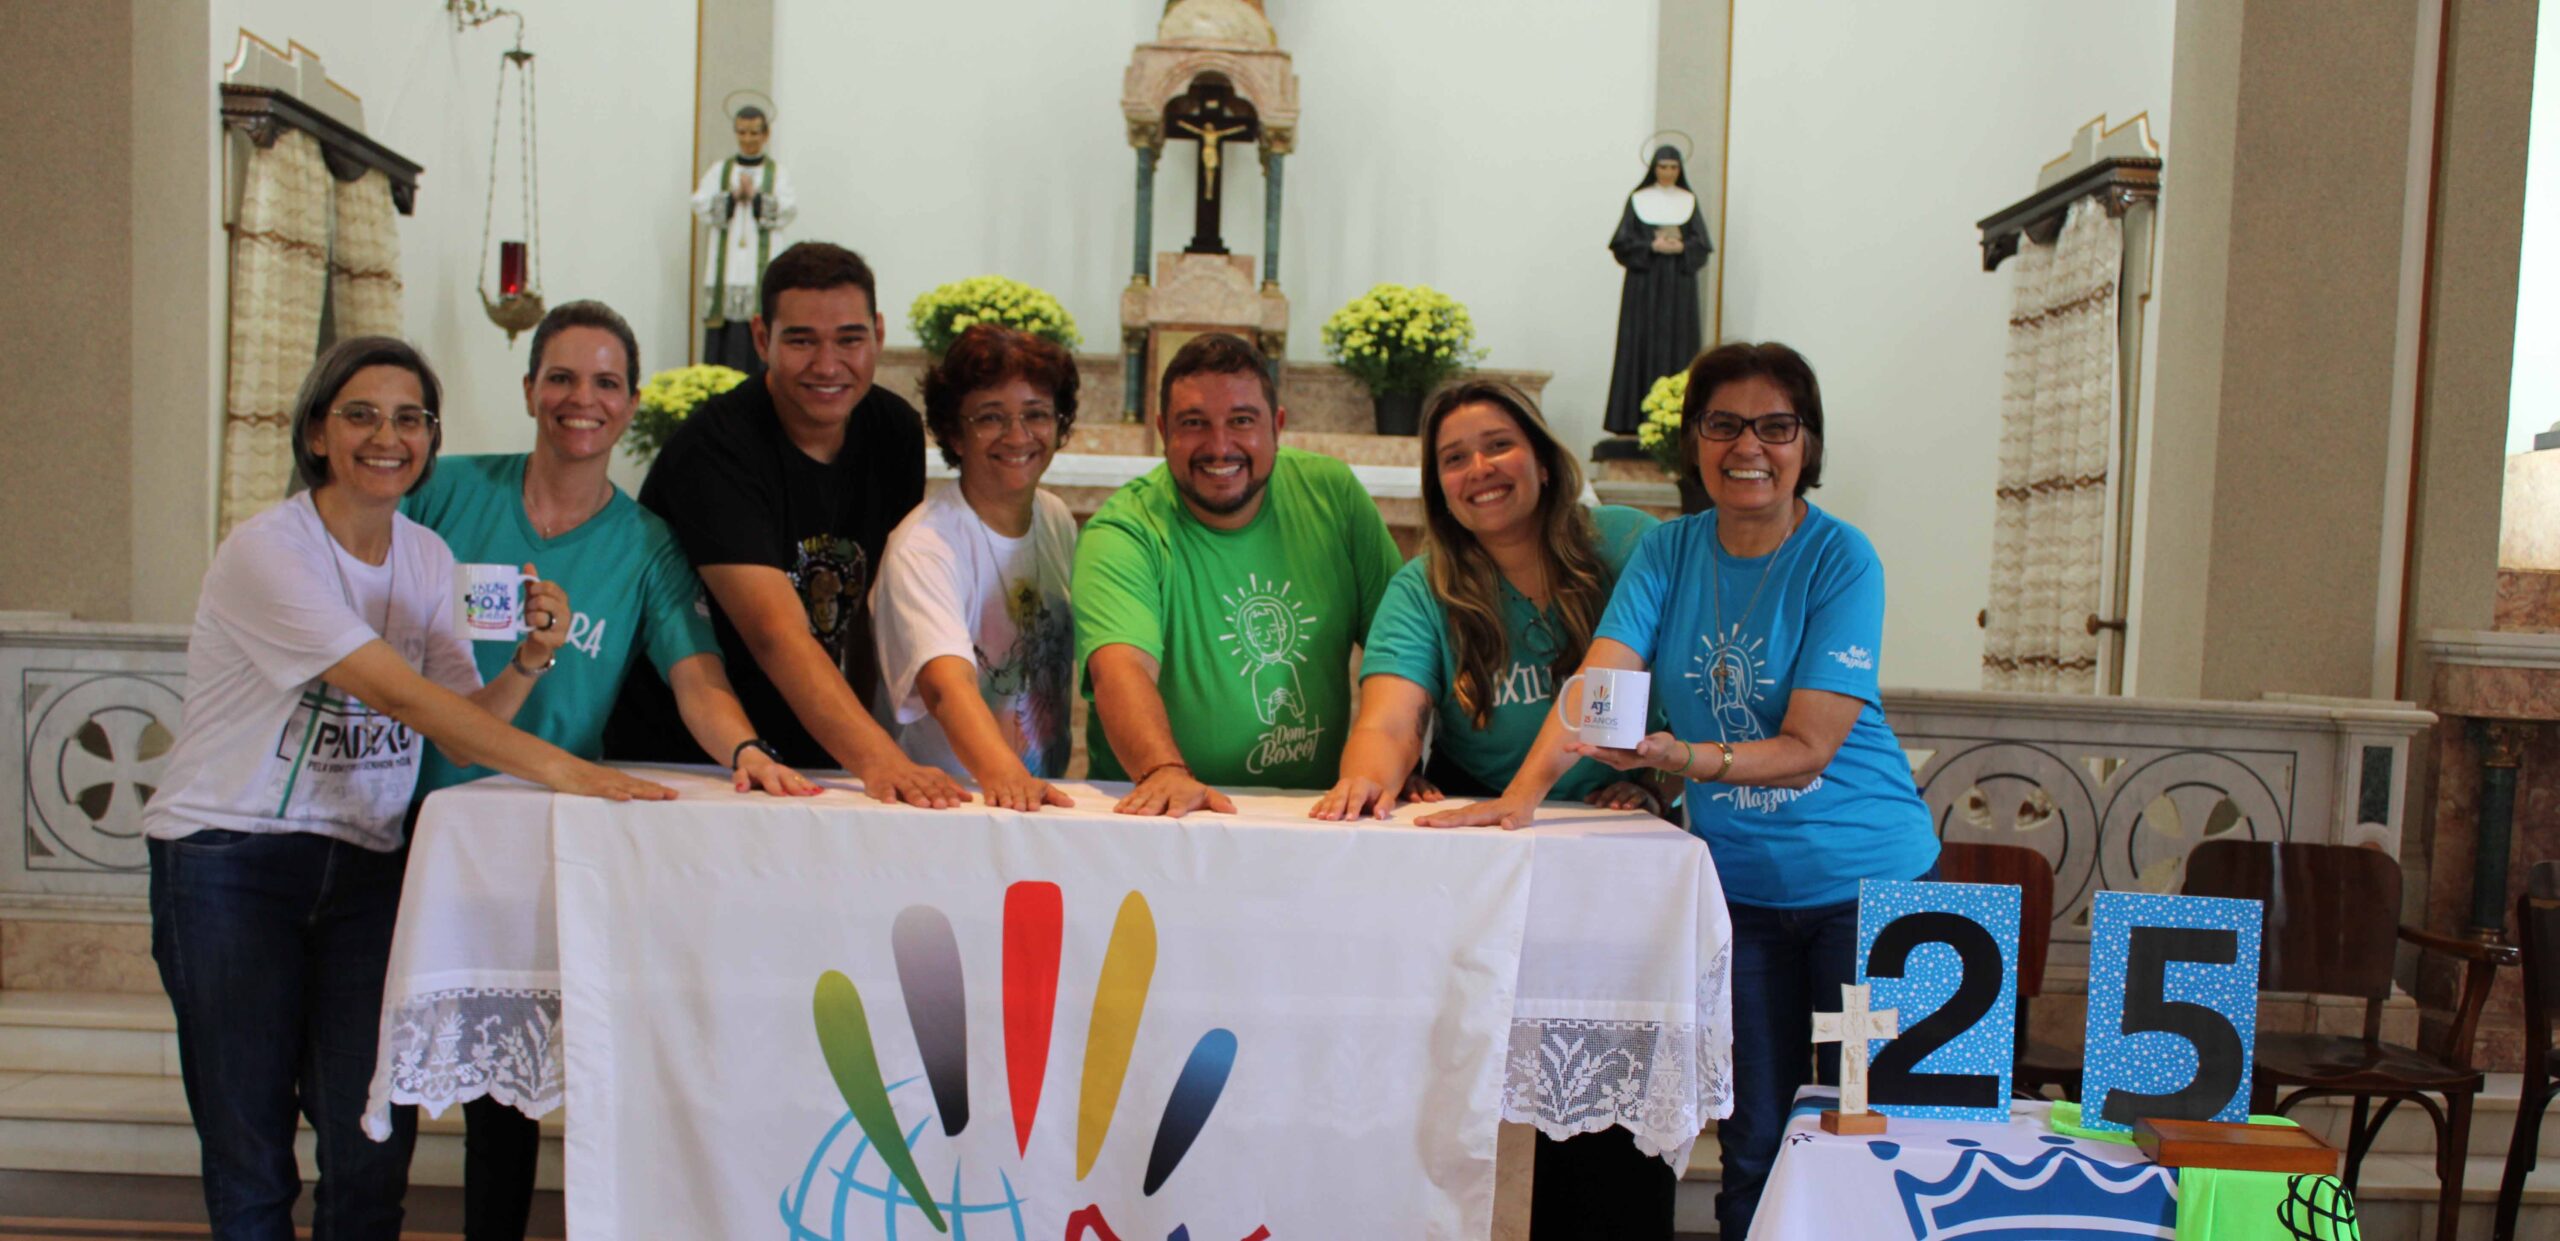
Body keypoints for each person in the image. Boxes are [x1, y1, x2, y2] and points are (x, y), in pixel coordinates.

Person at [144, 337, 672, 1240]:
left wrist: (535, 658)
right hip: (231, 862)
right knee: (252, 1152)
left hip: (366, 867)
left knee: (370, 1145)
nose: (386, 436)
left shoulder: (425, 555)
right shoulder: (270, 550)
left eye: (408, 418)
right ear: (316, 433)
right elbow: (398, 693)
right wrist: (574, 774)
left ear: (430, 438)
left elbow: (464, 716)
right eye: (359, 414)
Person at [1422, 342, 1937, 1240]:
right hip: (1738, 893)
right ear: (1695, 443)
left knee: (1873, 1135)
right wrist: (1523, 795)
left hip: (1868, 889)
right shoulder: (1667, 551)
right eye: (1724, 424)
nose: (1750, 446)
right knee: (1752, 1140)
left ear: (1806, 443)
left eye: (1775, 426)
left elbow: (1811, 746)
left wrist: (1684, 756)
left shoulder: (1842, 559)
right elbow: (1600, 681)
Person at [401, 300, 816, 1241]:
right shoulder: (445, 492)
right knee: (377, 1083)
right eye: (561, 377)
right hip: (406, 816)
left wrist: (748, 750)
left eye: (603, 382)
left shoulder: (642, 545)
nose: (579, 400)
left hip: (532, 837)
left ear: (629, 404)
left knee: (506, 1103)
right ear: (529, 389)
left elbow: (697, 681)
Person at [1311, 378, 1669, 1235]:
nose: (1480, 469)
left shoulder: (1626, 541)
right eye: (1454, 458)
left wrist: (1658, 783)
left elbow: (1668, 682)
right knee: (1487, 1093)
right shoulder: (1423, 584)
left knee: (1603, 1109)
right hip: (1494, 868)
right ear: (1439, 487)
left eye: (1498, 444)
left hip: (1616, 861)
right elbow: (1391, 714)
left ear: (1543, 457)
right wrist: (1369, 777)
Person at [608, 242, 968, 808]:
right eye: (801, 340)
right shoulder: (715, 449)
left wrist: (870, 746)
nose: (828, 365)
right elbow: (773, 632)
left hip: (814, 752)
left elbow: (872, 604)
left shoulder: (893, 432)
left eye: (849, 339)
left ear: (877, 332)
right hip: (688, 759)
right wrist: (881, 760)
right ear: (760, 338)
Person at [1074, 332, 1403, 814]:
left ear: (1278, 425)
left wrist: (1394, 761)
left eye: (1242, 421)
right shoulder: (1125, 530)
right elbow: (1121, 669)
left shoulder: (1332, 495)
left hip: (1311, 812)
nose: (1220, 446)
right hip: (1161, 815)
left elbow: (1400, 649)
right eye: (1194, 423)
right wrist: (1164, 771)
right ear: (1164, 430)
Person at [873, 324, 1081, 811]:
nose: (1018, 436)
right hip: (948, 804)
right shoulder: (924, 548)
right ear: (953, 433)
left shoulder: (1054, 519)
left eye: (1036, 415)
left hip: (1034, 799)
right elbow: (946, 689)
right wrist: (1009, 780)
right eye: (991, 417)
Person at [1601, 144, 1713, 436]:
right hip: (1644, 287)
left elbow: (1702, 245)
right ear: (1654, 168)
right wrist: (1651, 246)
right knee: (1639, 342)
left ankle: (1676, 419)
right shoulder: (1639, 200)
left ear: (1680, 170)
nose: (1667, 173)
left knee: (1679, 344)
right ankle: (1631, 421)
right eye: (1663, 167)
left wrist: (1682, 247)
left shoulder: (1688, 201)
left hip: (1679, 288)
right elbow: (1622, 243)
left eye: (1673, 168)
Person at [693, 103, 796, 371]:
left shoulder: (777, 174)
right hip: (725, 272)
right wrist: (730, 198)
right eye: (742, 133)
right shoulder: (720, 171)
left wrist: (757, 198)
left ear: (766, 134)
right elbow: (700, 204)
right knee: (726, 337)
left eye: (753, 133)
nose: (747, 139)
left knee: (758, 325)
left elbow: (788, 209)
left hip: (757, 269)